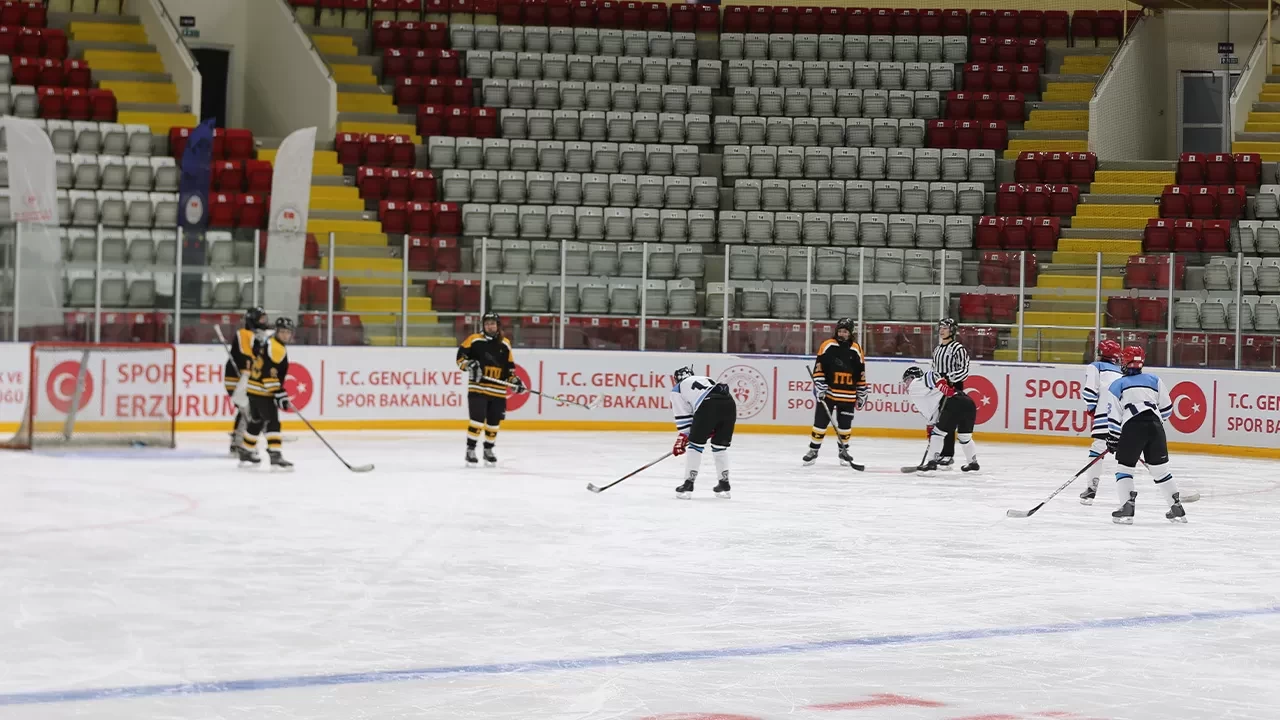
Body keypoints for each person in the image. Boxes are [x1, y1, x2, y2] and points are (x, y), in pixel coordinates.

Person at [1095, 346, 1187, 524]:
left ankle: (1127, 508)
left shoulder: (1117, 385)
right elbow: (1167, 409)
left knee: (1125, 468)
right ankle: (1177, 508)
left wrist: (1113, 438)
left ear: (1124, 362)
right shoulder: (1154, 380)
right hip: (1155, 427)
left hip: (1132, 427)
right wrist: (1152, 424)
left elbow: (1114, 416)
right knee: (1161, 471)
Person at [456, 312, 525, 467]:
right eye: (487, 323)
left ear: (498, 325)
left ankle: (488, 450)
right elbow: (460, 358)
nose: (490, 326)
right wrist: (470, 365)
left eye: (493, 323)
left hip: (498, 391)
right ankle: (471, 450)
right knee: (477, 420)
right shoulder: (474, 340)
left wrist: (514, 381)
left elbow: (509, 368)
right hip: (478, 388)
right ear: (483, 325)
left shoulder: (505, 343)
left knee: (494, 423)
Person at [803, 317, 868, 468]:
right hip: (829, 393)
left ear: (850, 333)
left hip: (848, 394)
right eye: (840, 331)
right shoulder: (827, 345)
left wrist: (862, 392)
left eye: (845, 331)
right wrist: (819, 386)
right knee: (820, 424)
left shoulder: (856, 349)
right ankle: (813, 450)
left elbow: (861, 372)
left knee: (845, 426)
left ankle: (843, 452)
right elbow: (819, 367)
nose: (842, 334)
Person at [670, 365, 735, 499]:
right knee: (720, 447)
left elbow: (684, 420)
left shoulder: (678, 389)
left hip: (708, 405)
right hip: (729, 403)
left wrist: (686, 438)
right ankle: (724, 484)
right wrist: (707, 428)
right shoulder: (706, 379)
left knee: (695, 446)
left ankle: (688, 485)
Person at [239, 317, 294, 470]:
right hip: (263, 391)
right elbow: (269, 373)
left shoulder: (269, 342)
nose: (285, 335)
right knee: (272, 422)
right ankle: (275, 454)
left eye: (288, 332)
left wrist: (278, 392)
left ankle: (246, 450)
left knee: (257, 421)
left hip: (253, 388)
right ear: (277, 331)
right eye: (282, 332)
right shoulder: (276, 348)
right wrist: (278, 392)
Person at [903, 365, 979, 472]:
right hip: (968, 402)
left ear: (912, 378)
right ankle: (973, 462)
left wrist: (942, 385)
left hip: (953, 403)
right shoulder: (924, 393)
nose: (906, 384)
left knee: (938, 434)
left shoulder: (915, 385)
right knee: (965, 437)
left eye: (906, 380)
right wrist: (930, 429)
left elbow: (931, 375)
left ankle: (931, 463)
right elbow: (934, 414)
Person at [1079, 339, 1124, 505]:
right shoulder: (1122, 372)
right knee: (1127, 454)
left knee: (1097, 449)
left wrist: (1092, 408)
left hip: (1105, 414)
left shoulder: (1095, 367)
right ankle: (1127, 498)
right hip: (1123, 417)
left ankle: (1091, 489)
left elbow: (1090, 391)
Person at [224, 307, 269, 455]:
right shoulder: (244, 333)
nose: (264, 321)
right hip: (237, 379)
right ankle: (240, 444)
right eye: (261, 318)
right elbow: (246, 354)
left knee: (246, 410)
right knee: (249, 410)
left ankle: (238, 442)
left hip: (247, 379)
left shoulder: (261, 336)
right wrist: (249, 373)